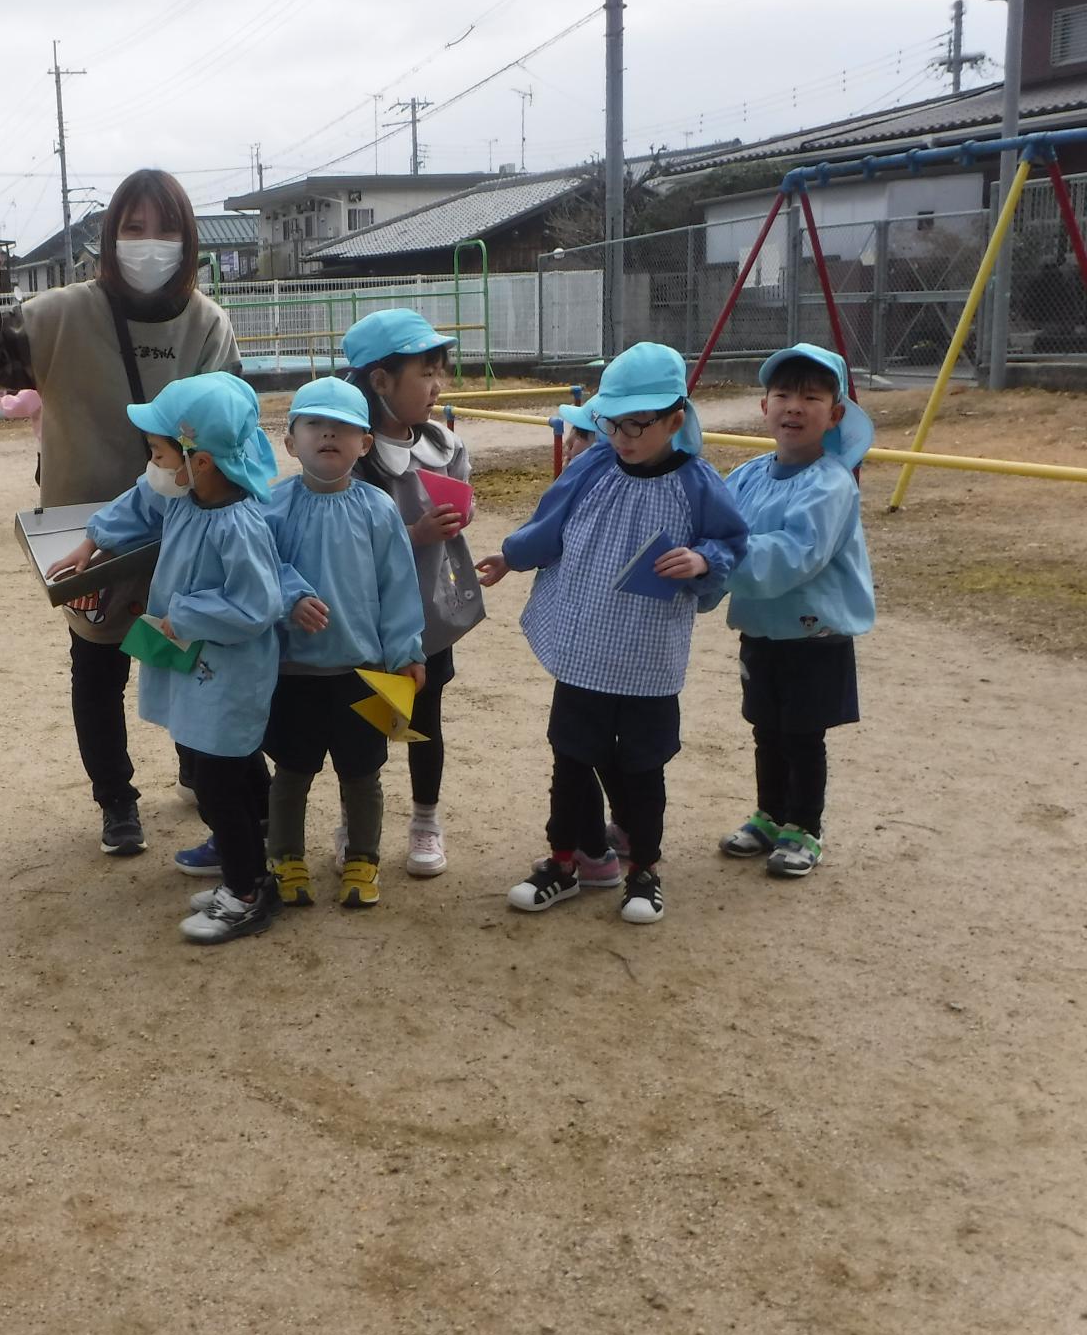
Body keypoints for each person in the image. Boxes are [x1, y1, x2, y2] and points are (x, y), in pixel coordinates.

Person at [0, 169, 240, 858]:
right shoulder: (60, 313)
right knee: (100, 662)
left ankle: (196, 769)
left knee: (179, 649)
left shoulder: (207, 323)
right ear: (109, 239)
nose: (149, 244)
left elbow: (230, 425)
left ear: (187, 240)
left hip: (183, 526)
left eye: (164, 229)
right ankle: (116, 800)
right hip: (89, 529)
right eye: (133, 228)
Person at [475, 341, 748, 926]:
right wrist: (510, 556)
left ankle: (643, 871)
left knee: (642, 766)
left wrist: (703, 562)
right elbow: (550, 521)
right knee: (570, 758)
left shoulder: (698, 482)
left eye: (637, 424)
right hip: (582, 643)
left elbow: (730, 542)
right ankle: (564, 861)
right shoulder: (595, 465)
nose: (622, 436)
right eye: (612, 422)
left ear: (675, 419)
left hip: (647, 654)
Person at [48, 372, 283, 944]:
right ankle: (256, 851)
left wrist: (186, 615)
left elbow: (259, 605)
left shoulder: (237, 524)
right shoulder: (184, 496)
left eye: (157, 452)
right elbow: (141, 500)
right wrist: (94, 539)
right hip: (199, 669)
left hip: (228, 673)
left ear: (198, 460)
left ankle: (248, 888)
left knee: (217, 778)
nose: (150, 464)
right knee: (222, 763)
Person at [706, 343, 875, 879]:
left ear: (836, 413)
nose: (794, 406)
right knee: (765, 727)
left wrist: (715, 561)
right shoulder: (750, 474)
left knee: (803, 733)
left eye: (811, 396)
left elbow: (797, 552)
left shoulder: (830, 482)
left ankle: (804, 827)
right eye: (782, 394)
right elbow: (716, 524)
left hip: (813, 633)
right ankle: (771, 814)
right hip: (761, 627)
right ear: (764, 407)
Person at [261, 376, 426, 909]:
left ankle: (363, 859)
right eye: (314, 424)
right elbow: (256, 570)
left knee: (362, 774)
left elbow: (398, 587)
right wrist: (288, 598)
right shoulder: (271, 506)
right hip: (292, 672)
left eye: (344, 428)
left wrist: (406, 652)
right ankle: (285, 858)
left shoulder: (378, 509)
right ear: (290, 442)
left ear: (366, 443)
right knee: (291, 773)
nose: (328, 434)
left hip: (363, 670)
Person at [343, 309, 485, 878]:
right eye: (425, 373)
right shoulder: (350, 454)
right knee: (366, 726)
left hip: (428, 617)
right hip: (365, 619)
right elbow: (345, 544)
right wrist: (414, 535)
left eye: (439, 372)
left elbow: (464, 497)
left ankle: (426, 821)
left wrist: (461, 512)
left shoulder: (444, 446)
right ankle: (356, 824)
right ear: (380, 381)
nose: (437, 386)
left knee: (426, 717)